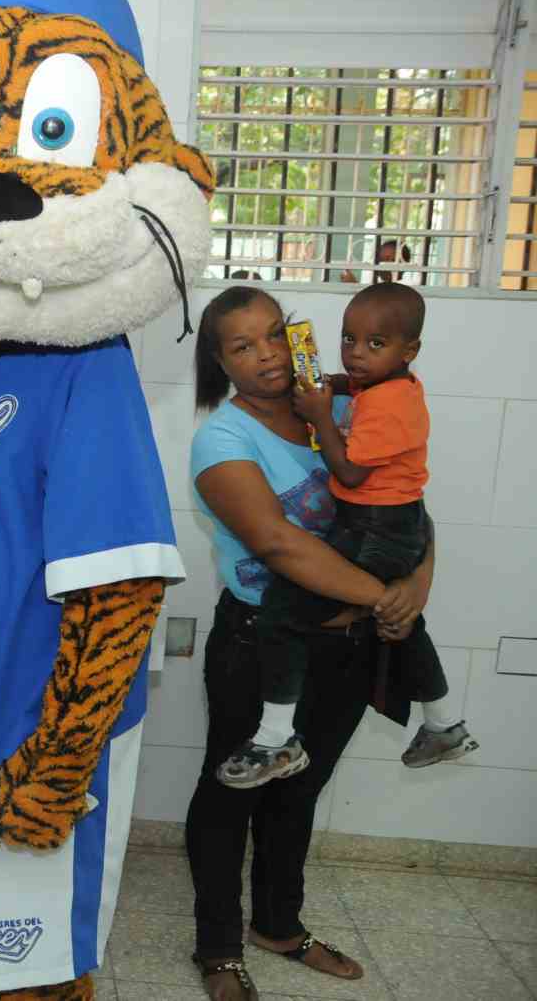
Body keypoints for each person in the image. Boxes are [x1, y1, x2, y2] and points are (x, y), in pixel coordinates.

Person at [186, 285, 437, 1001]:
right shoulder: (222, 441)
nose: (267, 354)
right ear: (221, 362)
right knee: (230, 797)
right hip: (260, 646)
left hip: (349, 646)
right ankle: (217, 947)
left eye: (275, 334)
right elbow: (278, 544)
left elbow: (410, 508)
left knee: (300, 789)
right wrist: (384, 595)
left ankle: (278, 926)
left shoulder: (347, 409)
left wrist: (416, 584)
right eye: (243, 346)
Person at [217, 283, 477, 788]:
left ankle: (275, 738)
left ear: (410, 351)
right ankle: (444, 723)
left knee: (281, 613)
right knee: (402, 622)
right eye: (348, 339)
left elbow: (352, 474)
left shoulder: (386, 404)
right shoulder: (386, 386)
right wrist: (332, 385)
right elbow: (353, 388)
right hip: (393, 524)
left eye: (375, 344)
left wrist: (319, 413)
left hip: (375, 525)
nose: (357, 354)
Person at [340, 238, 410, 283]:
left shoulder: (406, 286)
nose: (381, 263)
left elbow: (379, 301)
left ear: (403, 262)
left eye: (388, 259)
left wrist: (354, 285)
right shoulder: (378, 283)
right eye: (380, 258)